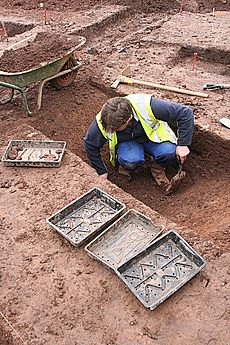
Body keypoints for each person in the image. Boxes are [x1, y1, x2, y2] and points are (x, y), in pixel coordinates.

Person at [84, 93, 194, 188]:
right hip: (127, 143)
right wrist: (101, 171)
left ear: (129, 119)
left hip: (153, 136)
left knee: (169, 152)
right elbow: (90, 145)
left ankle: (157, 168)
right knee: (130, 161)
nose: (111, 131)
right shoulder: (104, 121)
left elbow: (185, 113)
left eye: (116, 129)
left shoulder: (148, 105)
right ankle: (125, 166)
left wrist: (183, 144)